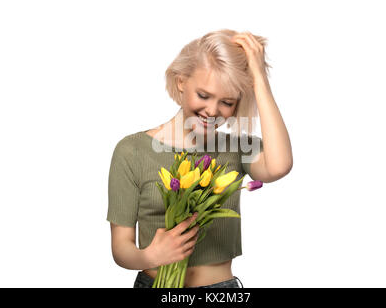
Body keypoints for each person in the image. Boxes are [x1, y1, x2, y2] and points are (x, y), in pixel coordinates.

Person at [107, 29, 293, 288]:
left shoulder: (237, 148)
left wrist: (259, 78)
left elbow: (280, 165)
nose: (212, 111)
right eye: (204, 96)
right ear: (181, 82)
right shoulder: (132, 151)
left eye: (227, 102)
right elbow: (121, 248)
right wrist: (150, 256)